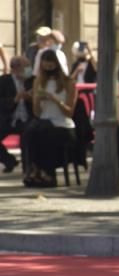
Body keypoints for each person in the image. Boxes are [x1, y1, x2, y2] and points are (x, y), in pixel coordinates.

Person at [22, 49, 76, 187]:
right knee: (30, 132)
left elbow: (69, 112)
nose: (48, 70)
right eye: (45, 67)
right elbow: (37, 113)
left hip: (62, 124)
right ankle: (35, 170)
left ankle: (48, 173)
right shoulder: (38, 82)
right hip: (44, 122)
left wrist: (55, 100)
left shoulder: (69, 83)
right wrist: (37, 100)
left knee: (46, 133)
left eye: (51, 67)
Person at [0, 55, 34, 172]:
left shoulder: (33, 81)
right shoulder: (4, 81)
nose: (29, 69)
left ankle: (28, 168)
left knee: (28, 135)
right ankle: (9, 160)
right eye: (26, 67)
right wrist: (15, 99)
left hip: (27, 119)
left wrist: (30, 98)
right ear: (15, 68)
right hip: (9, 119)